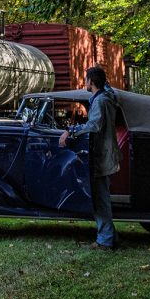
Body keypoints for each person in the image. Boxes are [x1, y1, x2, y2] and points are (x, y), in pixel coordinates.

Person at [58, 65, 120, 250]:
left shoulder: (100, 102)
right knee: (101, 198)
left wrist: (71, 131)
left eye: (86, 80)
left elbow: (94, 125)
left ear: (91, 82)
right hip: (104, 154)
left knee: (100, 199)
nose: (85, 83)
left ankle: (105, 241)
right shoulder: (107, 96)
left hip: (101, 155)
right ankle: (110, 236)